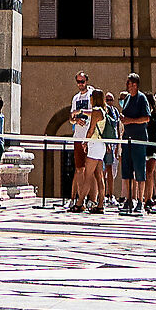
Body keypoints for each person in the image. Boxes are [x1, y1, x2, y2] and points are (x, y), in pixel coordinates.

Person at [118, 72, 152, 216]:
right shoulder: (126, 99)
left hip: (139, 140)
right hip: (127, 140)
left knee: (139, 170)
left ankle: (140, 200)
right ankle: (128, 199)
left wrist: (130, 121)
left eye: (132, 84)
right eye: (128, 84)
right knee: (126, 171)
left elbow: (146, 118)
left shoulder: (141, 98)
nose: (130, 86)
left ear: (137, 85)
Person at [68, 71, 92, 211]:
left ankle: (92, 199)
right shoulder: (75, 98)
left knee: (92, 170)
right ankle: (79, 200)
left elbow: (96, 112)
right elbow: (71, 117)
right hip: (78, 136)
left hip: (89, 137)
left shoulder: (91, 94)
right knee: (79, 169)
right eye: (78, 82)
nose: (80, 84)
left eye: (82, 81)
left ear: (86, 81)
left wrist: (81, 112)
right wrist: (76, 120)